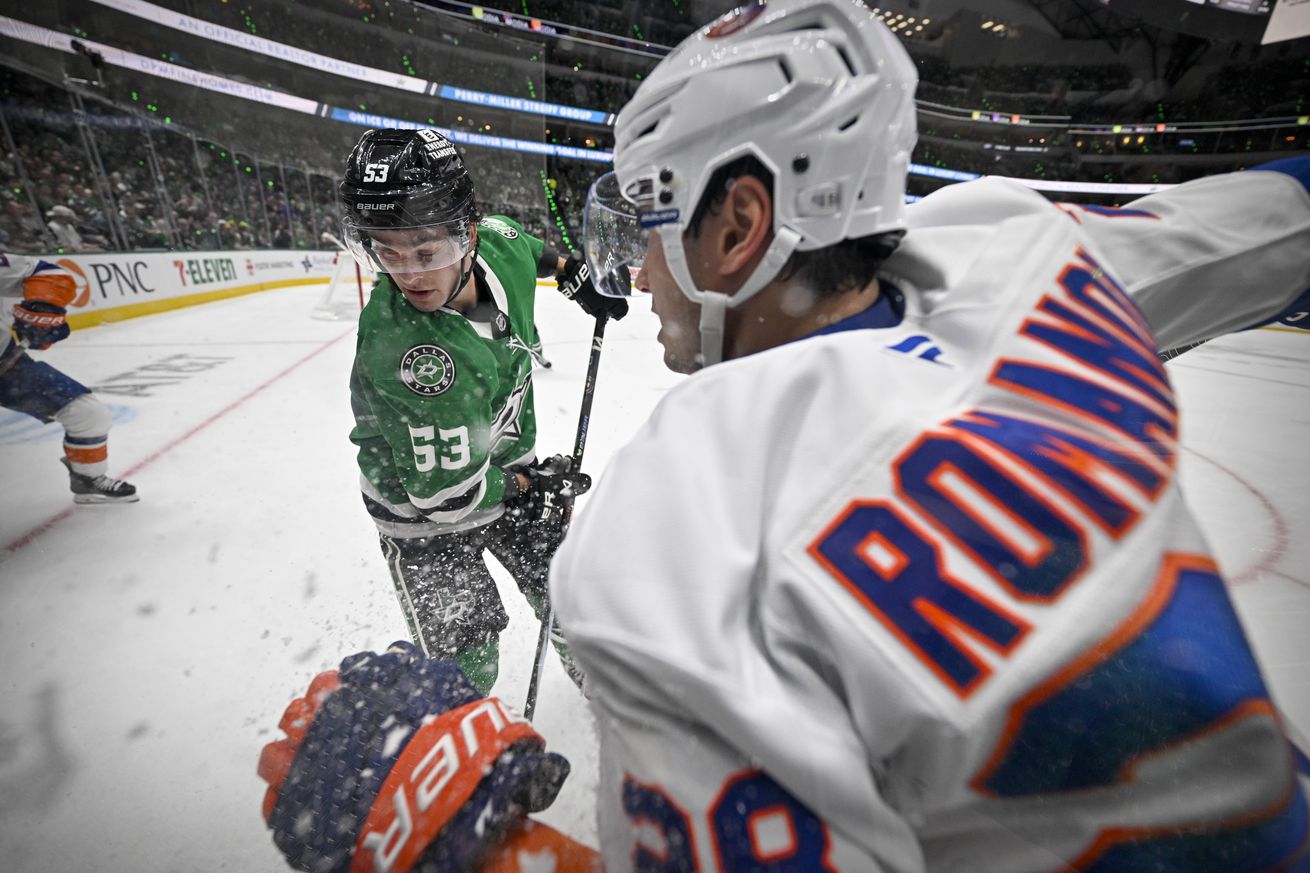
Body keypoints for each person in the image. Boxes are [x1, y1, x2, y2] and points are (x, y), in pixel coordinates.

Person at [259, 2, 1310, 871]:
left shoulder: (666, 539)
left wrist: (492, 854)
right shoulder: (1018, 252)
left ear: (738, 224)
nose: (637, 271)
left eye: (649, 226)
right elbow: (1273, 223)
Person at [339, 128, 627, 697]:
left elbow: (521, 241)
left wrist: (569, 272)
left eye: (428, 252)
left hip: (505, 471)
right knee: (467, 664)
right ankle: (464, 754)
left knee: (574, 602)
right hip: (423, 517)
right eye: (386, 252)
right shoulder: (412, 355)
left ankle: (619, 706)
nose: (410, 274)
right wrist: (530, 481)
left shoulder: (494, 242)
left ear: (466, 235)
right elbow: (446, 498)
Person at [1, 251, 138, 503]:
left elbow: (49, 274)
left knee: (88, 414)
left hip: (7, 368)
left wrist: (43, 307)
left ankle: (87, 479)